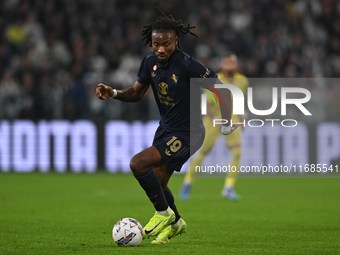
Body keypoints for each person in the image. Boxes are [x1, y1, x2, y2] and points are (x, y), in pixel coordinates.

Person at [95, 8, 237, 244]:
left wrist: (225, 121)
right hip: (166, 130)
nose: (160, 49)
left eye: (166, 44)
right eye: (156, 43)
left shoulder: (189, 65)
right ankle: (177, 223)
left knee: (138, 164)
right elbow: (136, 93)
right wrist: (114, 93)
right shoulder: (150, 61)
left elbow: (222, 90)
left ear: (176, 40)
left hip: (189, 133)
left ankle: (163, 214)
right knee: (158, 184)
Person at [180, 53, 248, 201]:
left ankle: (228, 188)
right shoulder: (214, 79)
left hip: (231, 118)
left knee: (237, 152)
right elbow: (204, 103)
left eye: (233, 63)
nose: (230, 66)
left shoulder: (243, 80)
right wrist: (216, 120)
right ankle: (187, 184)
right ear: (222, 65)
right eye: (227, 63)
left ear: (236, 66)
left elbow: (241, 100)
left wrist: (242, 117)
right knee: (201, 154)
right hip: (212, 120)